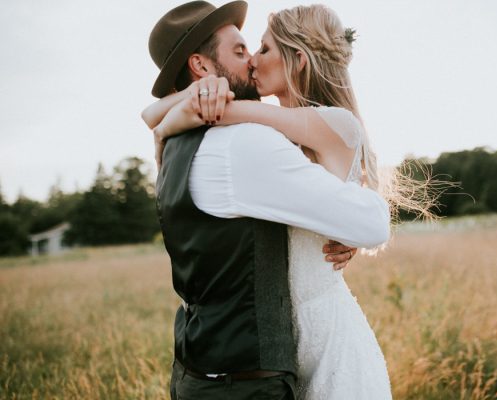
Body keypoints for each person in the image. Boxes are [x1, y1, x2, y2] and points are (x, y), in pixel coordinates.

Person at [144, 3, 414, 399]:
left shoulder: (328, 123)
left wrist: (168, 124)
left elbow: (173, 114)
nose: (253, 60)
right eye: (244, 51)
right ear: (201, 65)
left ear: (298, 60)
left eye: (263, 49)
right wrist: (183, 106)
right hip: (278, 347)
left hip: (324, 340)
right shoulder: (268, 136)